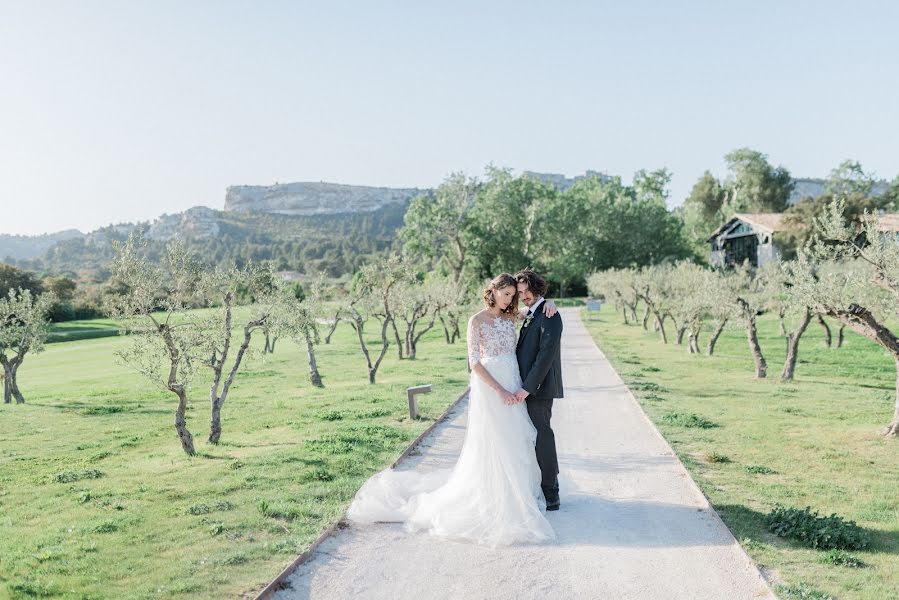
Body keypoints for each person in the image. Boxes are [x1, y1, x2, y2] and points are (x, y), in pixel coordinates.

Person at [346, 273, 558, 546]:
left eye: (512, 296)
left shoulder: (511, 317)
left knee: (517, 438)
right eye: (505, 295)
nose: (509, 300)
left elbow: (536, 312)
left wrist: (550, 301)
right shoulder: (476, 321)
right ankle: (491, 495)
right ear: (492, 292)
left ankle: (518, 492)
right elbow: (474, 363)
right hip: (492, 388)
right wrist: (500, 390)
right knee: (493, 441)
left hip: (513, 380)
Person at [513, 269, 564, 511]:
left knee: (543, 435)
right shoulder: (533, 313)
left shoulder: (550, 315)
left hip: (539, 389)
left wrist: (527, 388)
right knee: (529, 437)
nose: (524, 296)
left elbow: (545, 357)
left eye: (526, 291)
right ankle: (534, 487)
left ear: (537, 288)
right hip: (525, 388)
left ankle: (551, 492)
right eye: (520, 293)